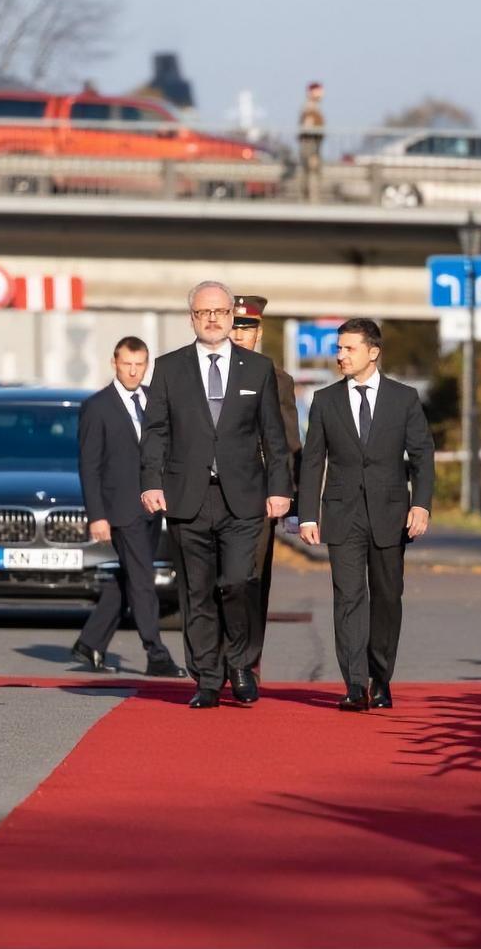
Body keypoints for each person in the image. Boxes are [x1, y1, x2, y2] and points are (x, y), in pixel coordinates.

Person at [139, 280, 292, 708]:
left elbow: (273, 437)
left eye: (220, 312)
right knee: (197, 592)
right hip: (188, 497)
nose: (212, 319)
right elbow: (155, 432)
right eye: (204, 313)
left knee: (239, 581)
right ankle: (207, 678)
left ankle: (241, 662)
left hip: (244, 498)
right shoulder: (169, 368)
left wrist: (281, 489)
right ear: (192, 318)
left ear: (230, 317)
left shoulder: (257, 370)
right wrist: (151, 482)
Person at [298, 318, 435, 710]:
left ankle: (381, 678)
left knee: (388, 597)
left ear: (372, 352)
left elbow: (423, 455)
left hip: (391, 513)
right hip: (342, 514)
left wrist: (421, 504)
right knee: (348, 598)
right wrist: (308, 514)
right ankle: (355, 685)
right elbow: (313, 461)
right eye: (339, 349)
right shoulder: (325, 401)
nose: (340, 355)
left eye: (348, 348)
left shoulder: (403, 398)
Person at [70, 336, 186, 678]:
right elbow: (88, 466)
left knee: (130, 577)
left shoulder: (154, 401)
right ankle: (156, 652)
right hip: (118, 509)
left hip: (152, 507)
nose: (133, 372)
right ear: (114, 363)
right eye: (127, 364)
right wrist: (97, 516)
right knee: (143, 580)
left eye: (140, 365)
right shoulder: (98, 406)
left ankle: (90, 642)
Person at [229, 295, 302, 668]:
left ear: (259, 332)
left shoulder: (278, 380)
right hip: (212, 492)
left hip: (258, 497)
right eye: (235, 326)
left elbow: (289, 443)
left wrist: (292, 500)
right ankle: (218, 658)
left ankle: (247, 661)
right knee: (216, 580)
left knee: (252, 579)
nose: (240, 335)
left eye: (248, 328)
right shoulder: (203, 374)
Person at [297, 81, 325, 203]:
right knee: (311, 173)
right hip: (310, 146)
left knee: (309, 173)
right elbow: (308, 129)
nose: (322, 94)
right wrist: (313, 152)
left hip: (310, 146)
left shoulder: (311, 107)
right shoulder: (310, 108)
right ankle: (311, 201)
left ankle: (307, 200)